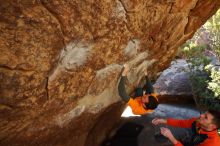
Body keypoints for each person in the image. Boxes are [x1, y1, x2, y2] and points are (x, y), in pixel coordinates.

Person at [152, 110, 220, 146]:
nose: (201, 115)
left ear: (213, 126)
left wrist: (172, 138)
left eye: (205, 117)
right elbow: (181, 123)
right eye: (204, 113)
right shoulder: (198, 121)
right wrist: (163, 121)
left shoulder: (213, 143)